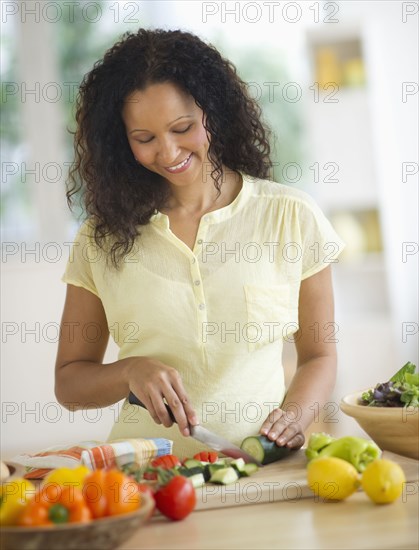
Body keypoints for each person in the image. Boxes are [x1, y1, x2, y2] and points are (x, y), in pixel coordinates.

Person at [55, 28, 345, 458]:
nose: (168, 151)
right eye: (145, 138)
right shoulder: (101, 238)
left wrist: (293, 419)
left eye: (183, 127)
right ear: (121, 141)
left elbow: (319, 355)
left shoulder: (290, 216)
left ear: (214, 112)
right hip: (145, 479)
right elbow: (70, 384)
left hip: (259, 474)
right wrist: (130, 372)